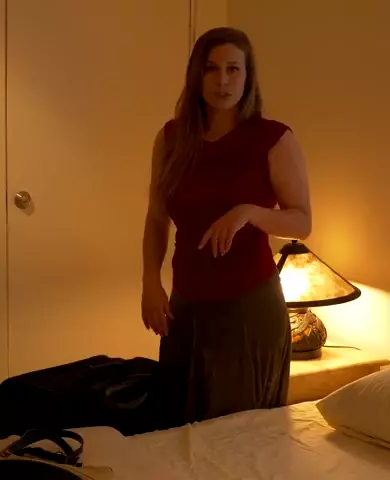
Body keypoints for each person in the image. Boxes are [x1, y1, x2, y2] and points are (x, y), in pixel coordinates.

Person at [140, 27, 312, 425]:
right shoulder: (171, 138)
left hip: (248, 311)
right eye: (212, 69)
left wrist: (249, 212)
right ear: (196, 75)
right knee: (175, 431)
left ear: (248, 76)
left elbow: (302, 221)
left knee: (239, 439)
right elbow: (156, 217)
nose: (223, 80)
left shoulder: (273, 139)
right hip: (185, 308)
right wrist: (150, 282)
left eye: (233, 69)